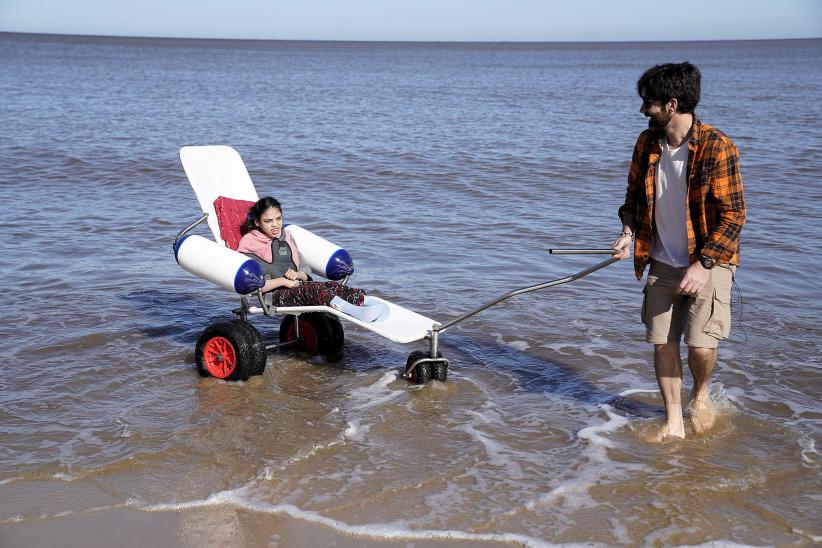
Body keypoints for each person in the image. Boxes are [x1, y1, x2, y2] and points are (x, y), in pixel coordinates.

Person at [612, 62, 746, 442]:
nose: (643, 110)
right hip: (660, 260)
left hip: (710, 260)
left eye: (649, 103)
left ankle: (699, 396)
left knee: (701, 348)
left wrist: (703, 264)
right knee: (663, 342)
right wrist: (628, 230)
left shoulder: (718, 146)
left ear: (671, 104)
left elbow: (734, 216)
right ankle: (673, 420)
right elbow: (634, 200)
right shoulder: (646, 143)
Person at [237, 197, 383, 322]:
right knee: (316, 290)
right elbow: (252, 285)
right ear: (257, 222)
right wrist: (283, 281)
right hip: (274, 296)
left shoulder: (286, 237)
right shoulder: (250, 244)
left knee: (331, 286)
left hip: (298, 286)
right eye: (268, 221)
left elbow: (303, 265)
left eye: (278, 219)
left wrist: (299, 274)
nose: (275, 225)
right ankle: (357, 313)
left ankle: (366, 302)